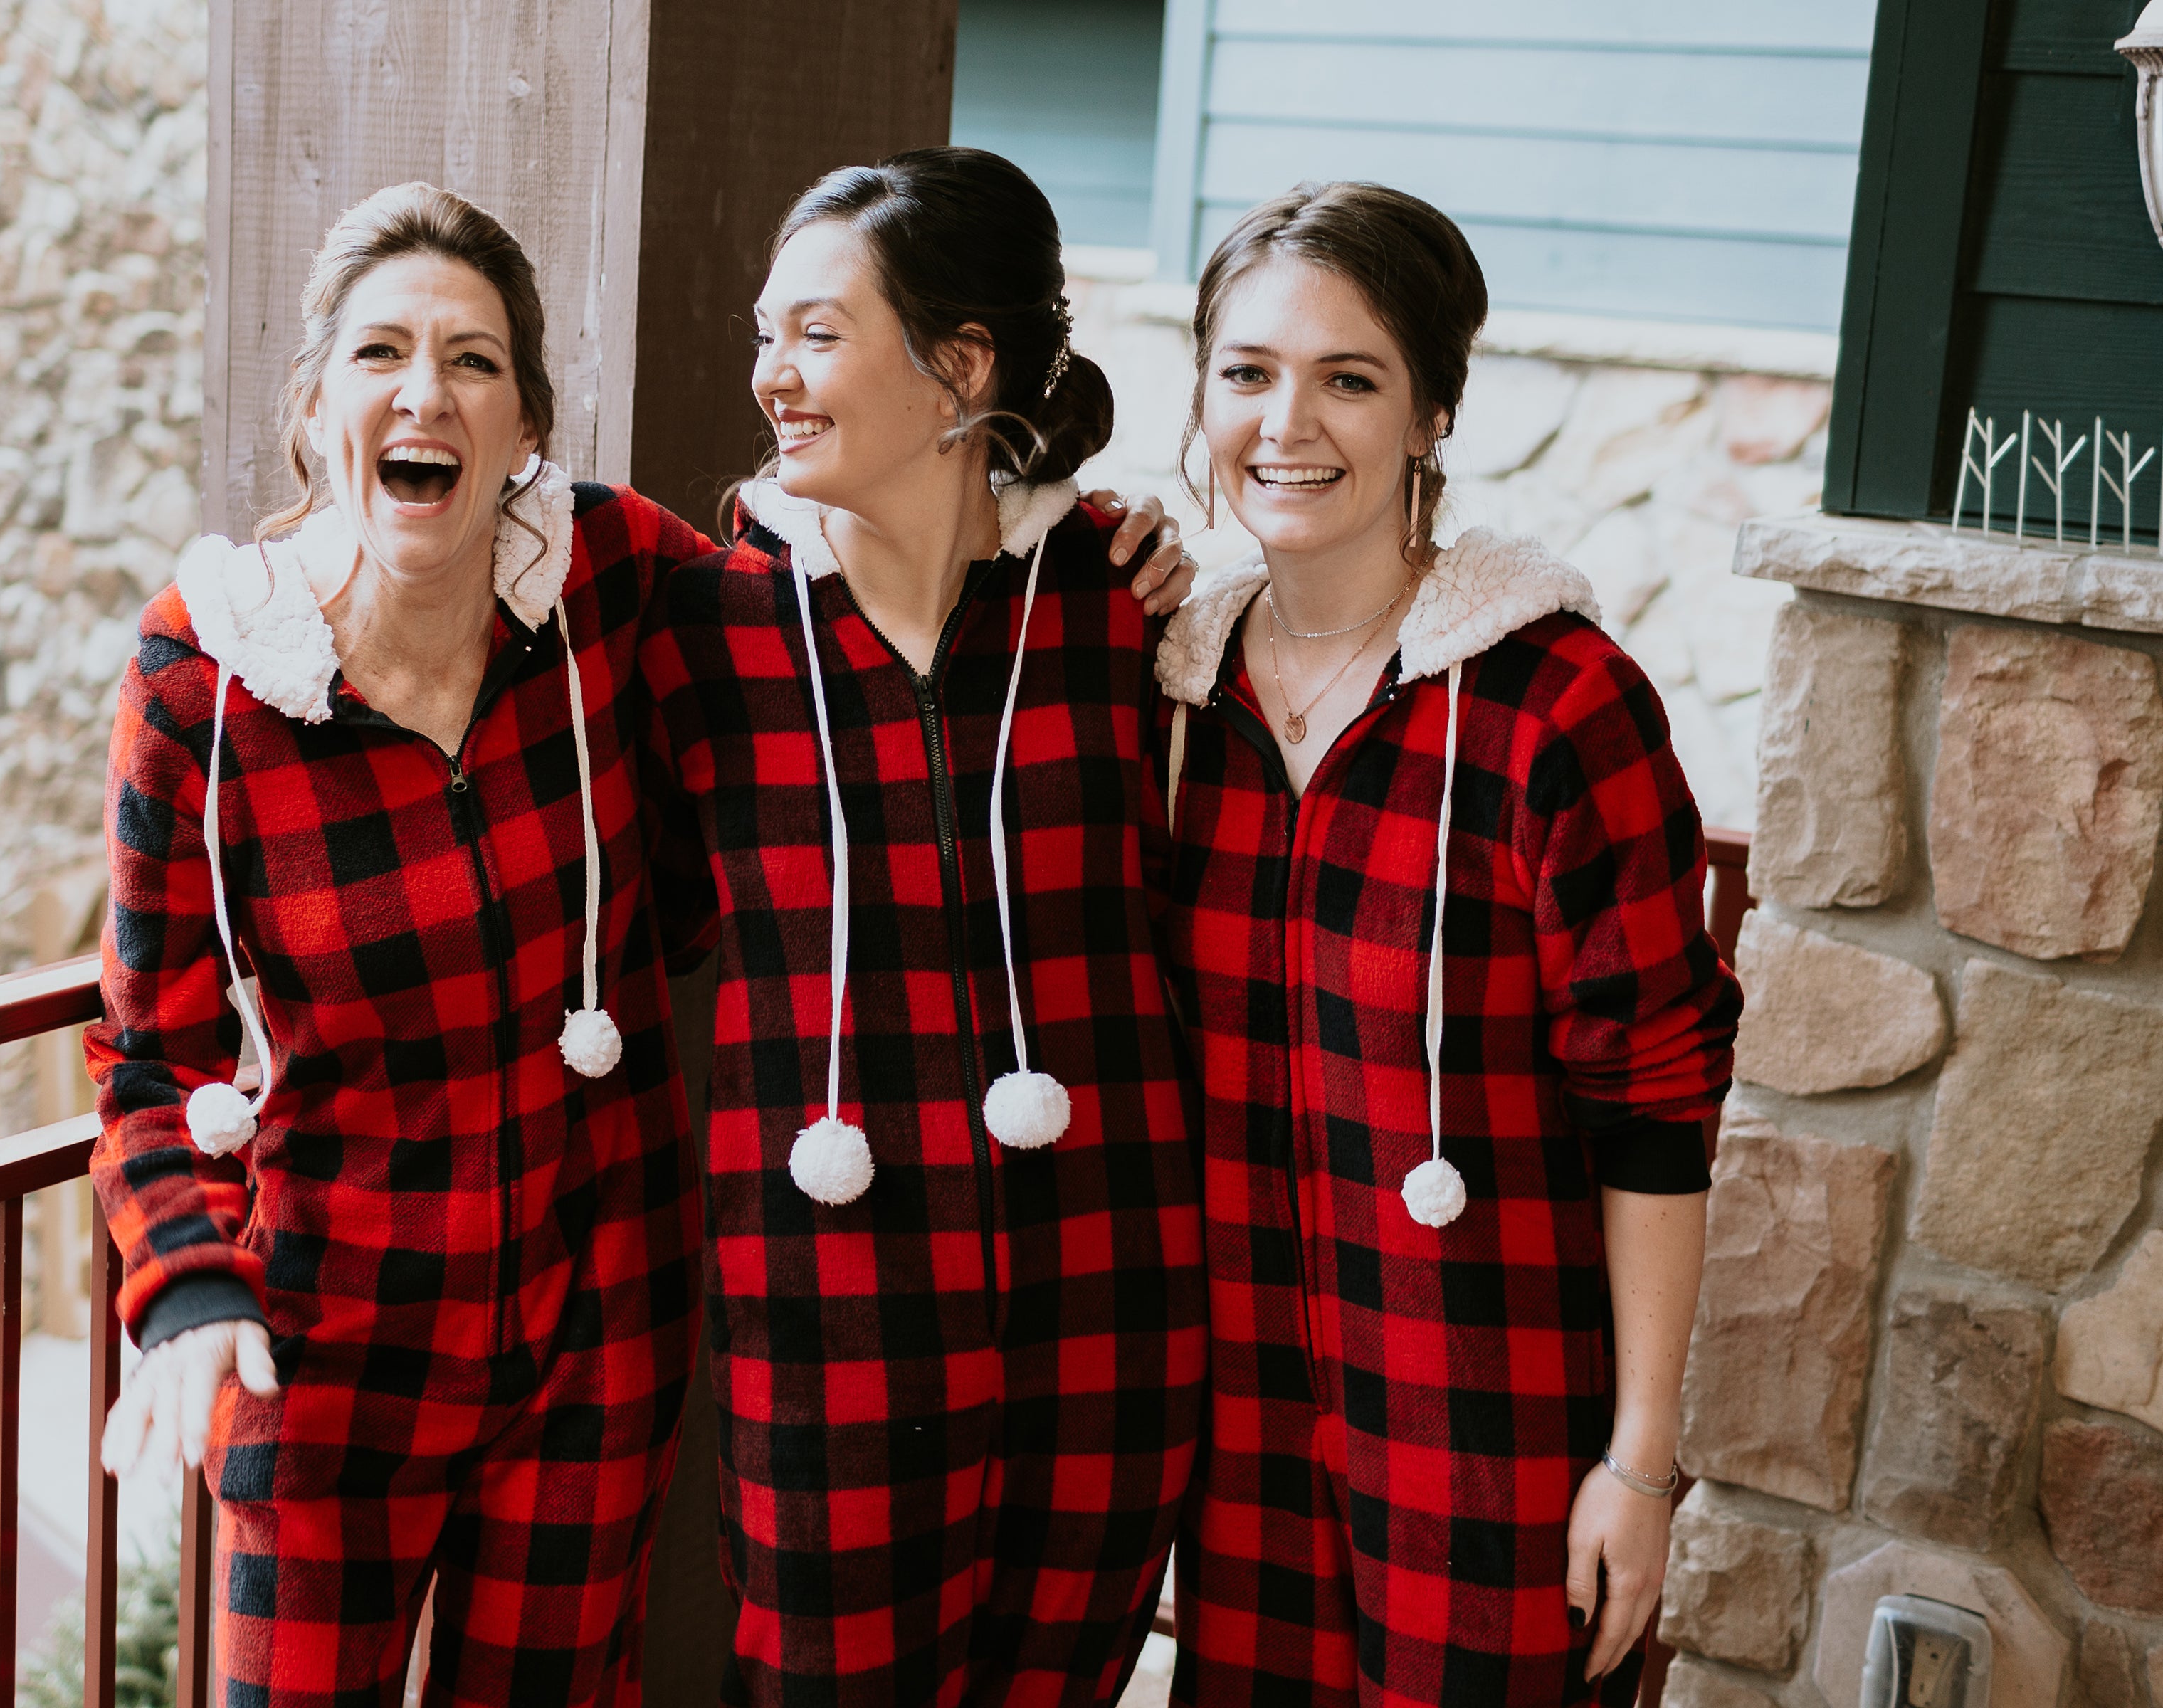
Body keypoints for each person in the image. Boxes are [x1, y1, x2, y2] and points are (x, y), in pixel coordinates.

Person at [85, 182, 714, 1706]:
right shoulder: (202, 680)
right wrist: (188, 1283)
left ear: (523, 432)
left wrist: (1081, 534)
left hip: (593, 1330)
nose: (425, 392)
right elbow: (145, 1049)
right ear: (314, 412)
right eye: (380, 355)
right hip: (320, 1341)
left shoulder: (613, 584)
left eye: (474, 361)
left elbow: (838, 617)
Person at [1149, 182, 1740, 1706]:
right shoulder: (1164, 702)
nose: (1288, 422)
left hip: (1496, 1435)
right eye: (1248, 372)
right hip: (1241, 1444)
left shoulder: (1559, 704)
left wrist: (1639, 1466)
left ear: (1430, 416)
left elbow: (1658, 1111)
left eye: (1350, 379)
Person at [639, 147, 1206, 1707]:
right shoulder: (701, 635)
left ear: (961, 368)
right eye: (769, 333)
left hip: (1111, 1312)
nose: (771, 375)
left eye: (817, 334)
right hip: (834, 1341)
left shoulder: (1120, 604)